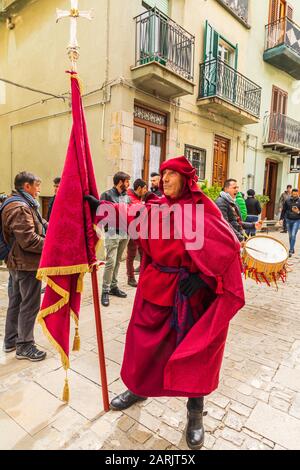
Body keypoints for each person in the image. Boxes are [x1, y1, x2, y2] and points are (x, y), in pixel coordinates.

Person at [85, 156, 245, 450]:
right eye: (163, 174)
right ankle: (138, 388)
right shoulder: (156, 206)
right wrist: (100, 208)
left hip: (190, 296)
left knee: (195, 354)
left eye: (171, 174)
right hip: (155, 289)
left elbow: (229, 249)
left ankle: (195, 414)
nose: (164, 179)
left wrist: (205, 280)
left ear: (186, 180)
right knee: (142, 345)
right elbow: (131, 217)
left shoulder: (202, 210)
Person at [1, 172, 47, 361]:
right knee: (29, 304)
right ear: (27, 186)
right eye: (37, 185)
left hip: (17, 262)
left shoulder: (24, 203)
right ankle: (25, 345)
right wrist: (53, 245)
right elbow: (29, 240)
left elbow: (39, 224)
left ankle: (11, 340)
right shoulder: (20, 207)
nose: (39, 189)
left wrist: (56, 229)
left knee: (16, 302)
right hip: (25, 264)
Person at [100, 171, 131, 307]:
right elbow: (101, 213)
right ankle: (105, 290)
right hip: (112, 232)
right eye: (127, 181)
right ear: (120, 182)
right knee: (110, 261)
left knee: (118, 260)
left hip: (126, 232)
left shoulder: (127, 196)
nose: (128, 184)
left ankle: (113, 286)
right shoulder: (106, 195)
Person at [126, 179, 147, 287]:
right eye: (144, 188)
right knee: (131, 255)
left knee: (143, 254)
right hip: (131, 231)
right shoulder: (129, 198)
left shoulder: (140, 198)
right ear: (139, 188)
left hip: (140, 231)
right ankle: (130, 277)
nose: (146, 190)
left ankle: (144, 276)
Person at [280, 188, 300, 257]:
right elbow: (284, 210)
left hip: (297, 220)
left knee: (294, 235)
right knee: (290, 235)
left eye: (296, 194)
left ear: (298, 193)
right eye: (293, 194)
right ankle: (292, 247)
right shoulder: (287, 200)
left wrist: (298, 212)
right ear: (291, 193)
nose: (294, 195)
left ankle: (291, 250)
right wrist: (281, 219)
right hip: (288, 220)